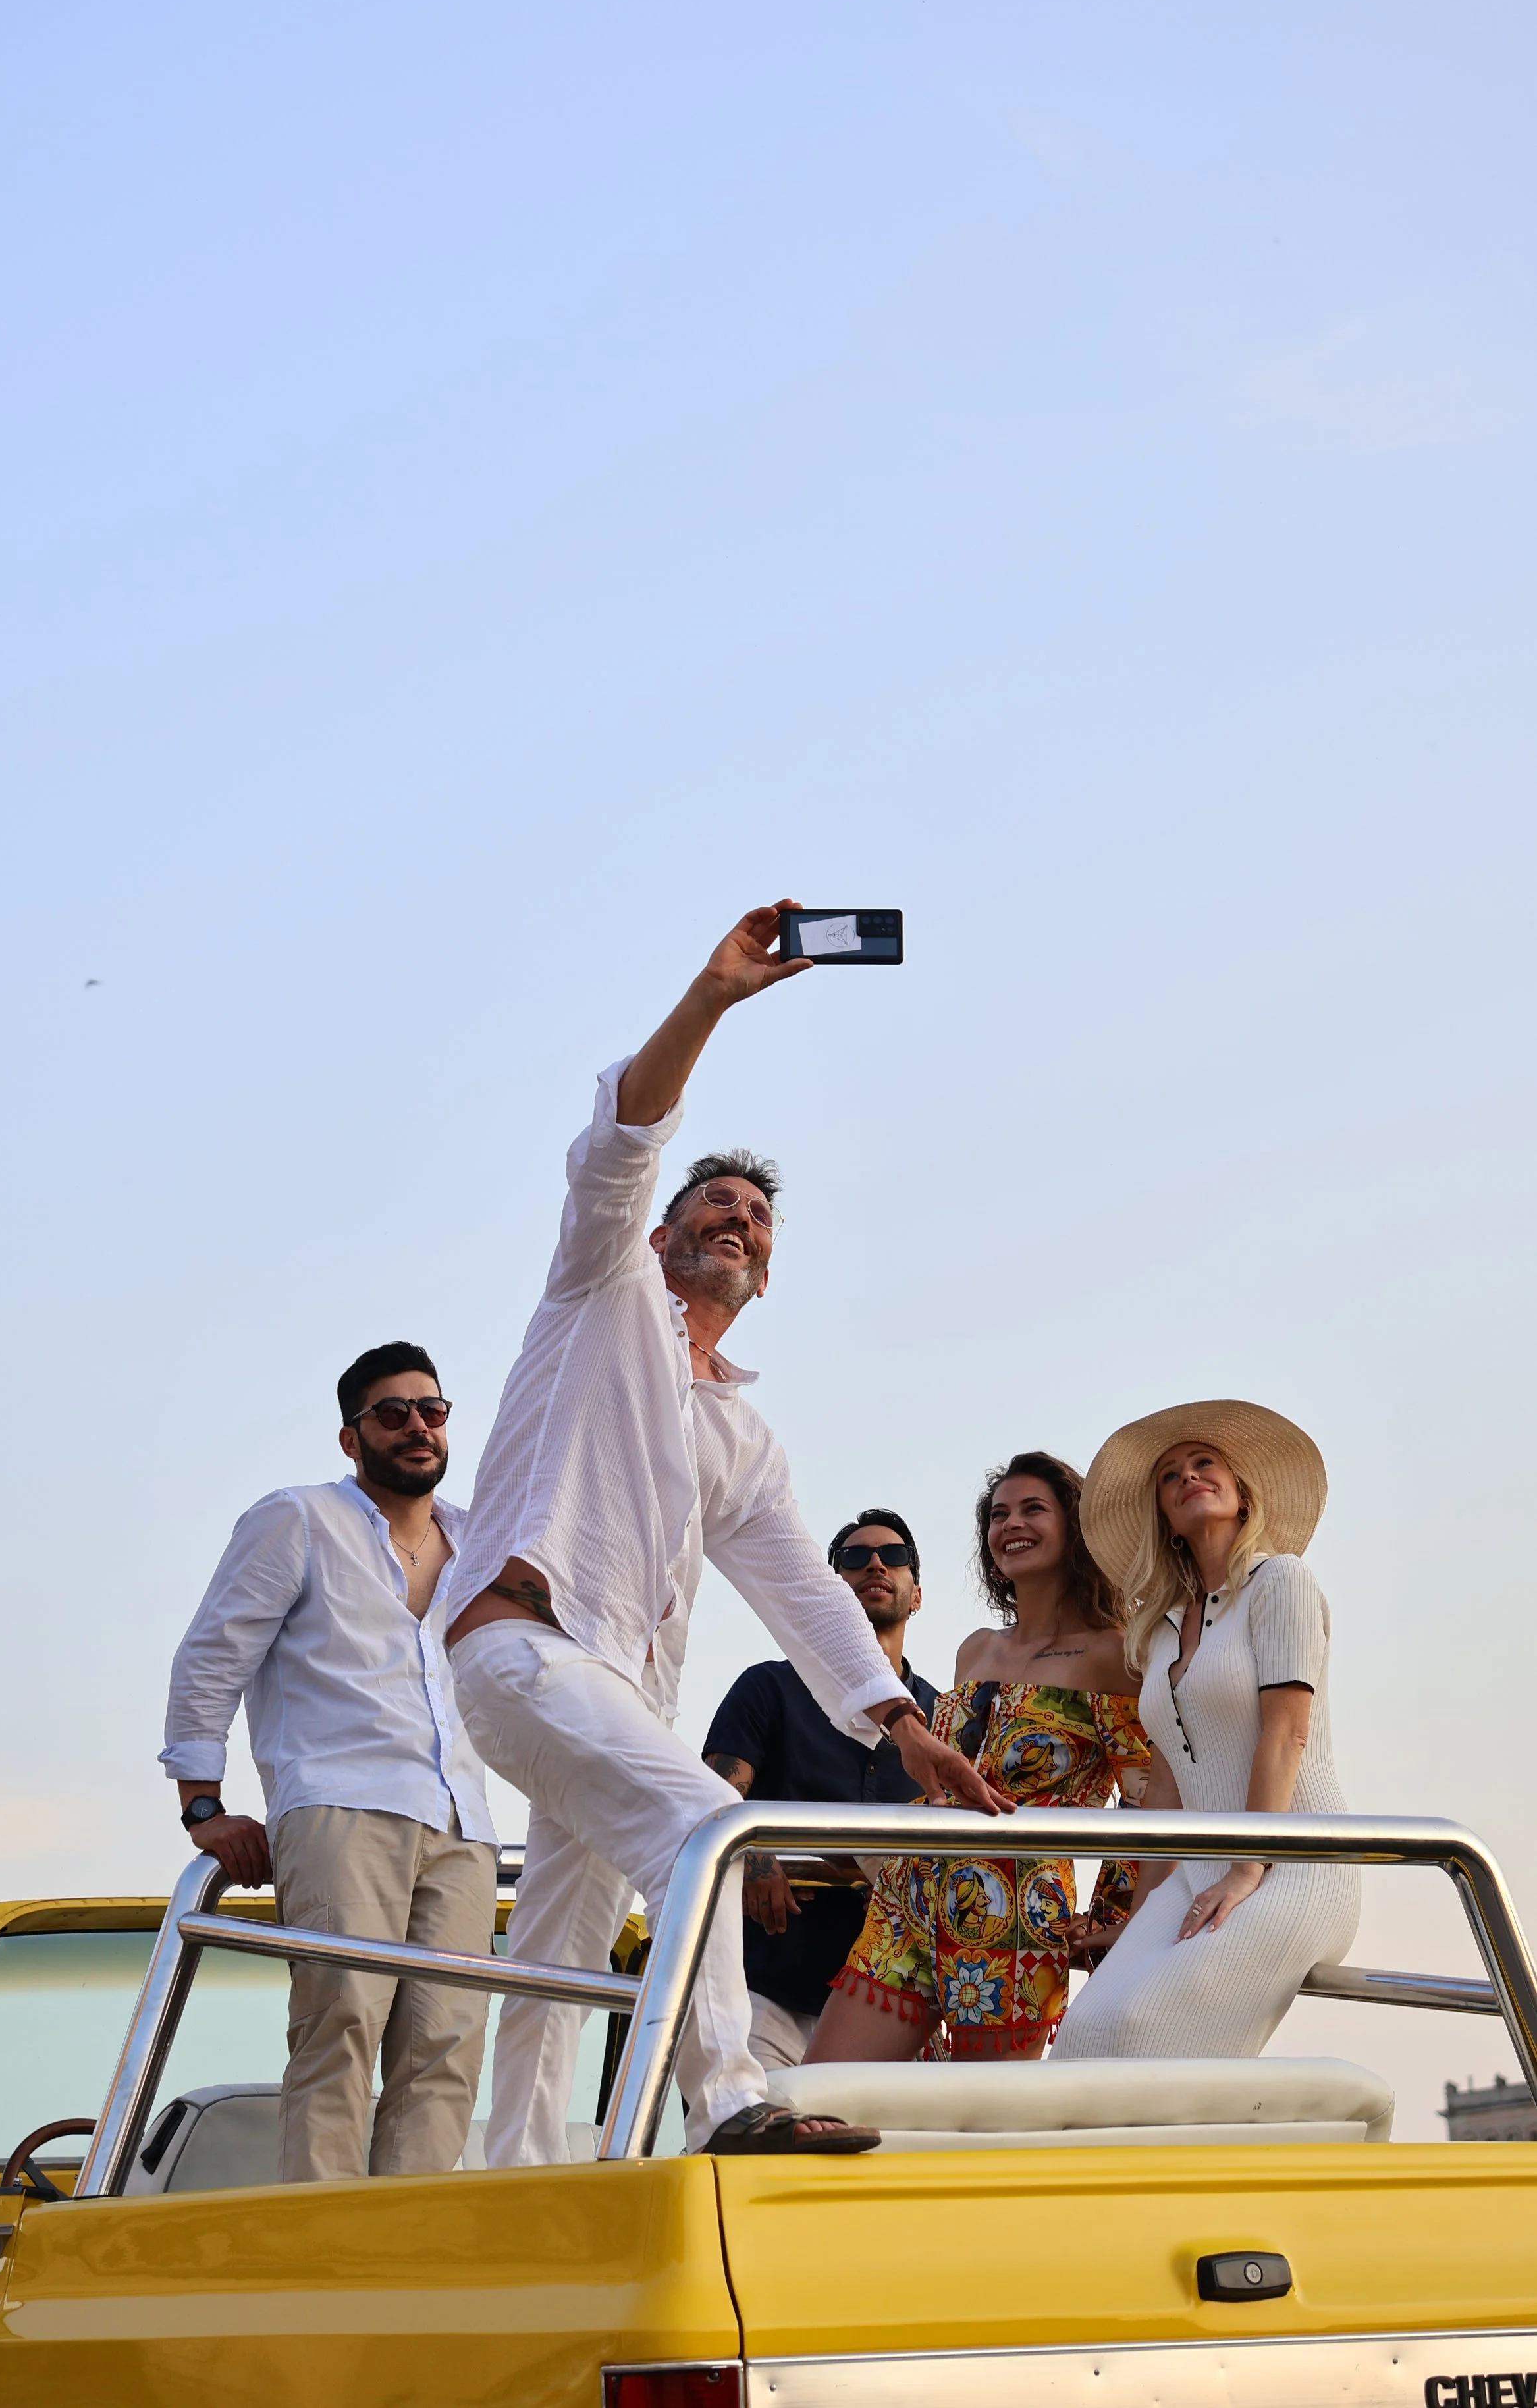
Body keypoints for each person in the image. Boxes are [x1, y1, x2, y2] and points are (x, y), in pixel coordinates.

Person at [443, 903, 1008, 2163]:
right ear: (660, 1233)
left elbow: (805, 1590)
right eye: (714, 1201)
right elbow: (620, 1143)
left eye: (756, 1213)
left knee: (561, 1944)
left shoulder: (742, 1436)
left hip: (620, 1688)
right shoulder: (601, 1290)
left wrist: (906, 1727)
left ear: (768, 1268)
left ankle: (519, 2171)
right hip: (523, 1649)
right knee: (711, 1829)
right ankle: (729, 2101)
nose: (737, 1217)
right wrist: (713, 996)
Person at [160, 1342, 498, 2181]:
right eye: (392, 1413)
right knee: (341, 2022)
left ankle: (407, 2241)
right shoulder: (298, 1519)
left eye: (432, 1410)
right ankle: (322, 2234)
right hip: (342, 1806)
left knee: (449, 2045)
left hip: (462, 1820)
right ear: (352, 1438)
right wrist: (204, 1807)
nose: (417, 1426)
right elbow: (212, 1657)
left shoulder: (483, 1541)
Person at [807, 1452, 1150, 2063]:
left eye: (1033, 1509)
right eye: (998, 1515)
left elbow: (1146, 1801)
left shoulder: (1113, 1656)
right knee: (820, 2090)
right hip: (909, 1898)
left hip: (1013, 1921)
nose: (1011, 1524)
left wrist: (1110, 1919)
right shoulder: (977, 1650)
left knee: (975, 2118)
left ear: (1075, 1529)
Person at [1050, 1399, 1359, 2061]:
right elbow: (1164, 1792)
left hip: (1293, 1870)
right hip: (1198, 1875)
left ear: (1241, 1493)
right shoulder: (1159, 1631)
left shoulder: (1281, 1580)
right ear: (1164, 1517)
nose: (1188, 1476)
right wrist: (1137, 1929)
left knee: (1140, 2030)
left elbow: (1287, 1734)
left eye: (1203, 1463)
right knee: (1081, 2035)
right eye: (1170, 1476)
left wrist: (1247, 1869)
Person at [702, 1509, 940, 2071]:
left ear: (917, 1594)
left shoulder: (944, 1718)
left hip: (895, 2007)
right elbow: (711, 1798)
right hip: (762, 1993)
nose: (875, 1565)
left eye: (894, 1556)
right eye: (854, 1559)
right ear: (829, 1595)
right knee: (753, 2131)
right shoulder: (767, 1689)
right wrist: (753, 1853)